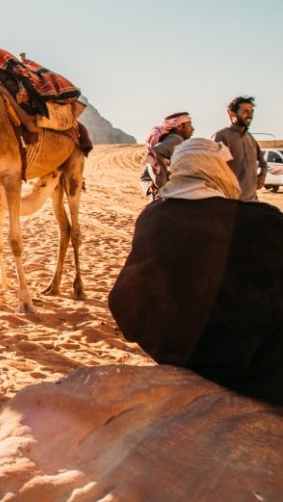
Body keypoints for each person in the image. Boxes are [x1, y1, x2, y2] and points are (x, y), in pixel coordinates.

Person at [110, 138, 283, 405]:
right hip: (251, 371)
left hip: (175, 356)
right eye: (227, 166)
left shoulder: (151, 217)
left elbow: (122, 300)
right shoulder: (260, 220)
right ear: (213, 168)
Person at [211, 96, 267, 202]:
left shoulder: (250, 138)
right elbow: (215, 170)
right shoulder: (221, 136)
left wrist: (263, 174)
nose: (250, 115)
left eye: (251, 111)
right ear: (232, 113)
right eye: (246, 111)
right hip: (232, 202)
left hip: (252, 202)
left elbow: (263, 162)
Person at [141, 111, 194, 200]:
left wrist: (154, 182)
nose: (192, 129)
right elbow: (156, 152)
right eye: (189, 125)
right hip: (171, 201)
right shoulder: (176, 139)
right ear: (180, 126)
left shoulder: (168, 142)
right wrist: (163, 186)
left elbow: (145, 176)